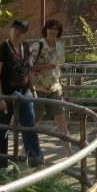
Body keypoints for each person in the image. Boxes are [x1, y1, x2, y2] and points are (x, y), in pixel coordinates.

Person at [0, 19, 44, 167]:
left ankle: (35, 160)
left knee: (29, 125)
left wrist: (33, 89)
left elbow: (28, 71)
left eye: (21, 30)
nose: (18, 32)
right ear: (11, 29)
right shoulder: (2, 48)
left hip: (24, 91)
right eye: (16, 29)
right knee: (3, 127)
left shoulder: (25, 46)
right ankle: (0, 163)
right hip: (6, 92)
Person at [30, 19, 73, 157]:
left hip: (55, 87)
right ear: (46, 30)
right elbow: (28, 66)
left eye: (55, 29)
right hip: (39, 87)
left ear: (58, 31)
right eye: (50, 28)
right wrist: (44, 67)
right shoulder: (37, 46)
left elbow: (59, 68)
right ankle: (23, 151)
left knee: (61, 119)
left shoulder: (60, 48)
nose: (52, 31)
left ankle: (69, 151)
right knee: (35, 121)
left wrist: (61, 84)